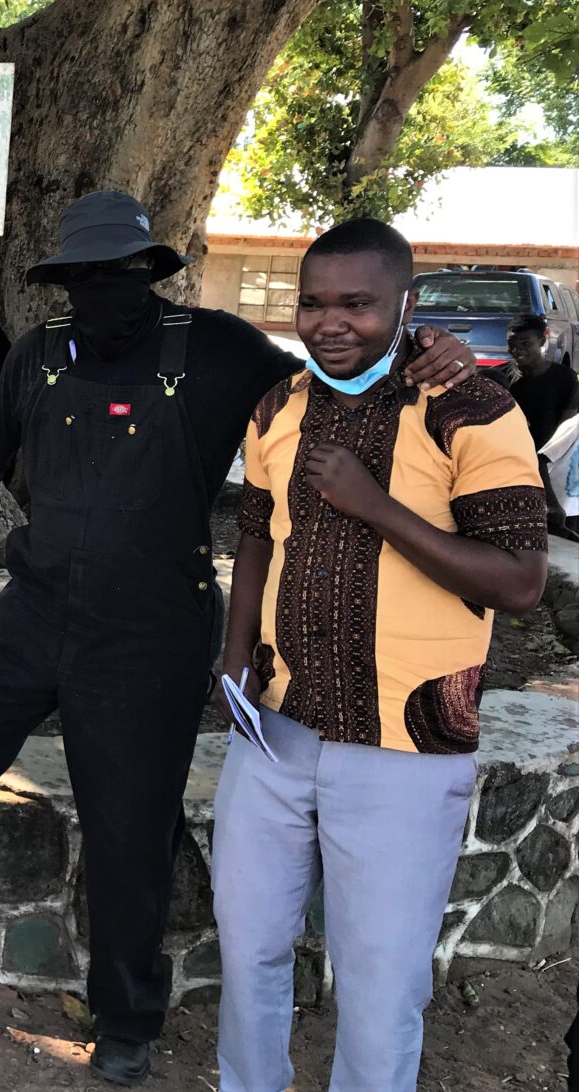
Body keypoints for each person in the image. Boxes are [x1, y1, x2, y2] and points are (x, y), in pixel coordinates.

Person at [0, 190, 479, 1086]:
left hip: (149, 634)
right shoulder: (38, 355)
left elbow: (330, 374)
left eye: (120, 273)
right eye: (83, 277)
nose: (103, 290)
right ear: (61, 280)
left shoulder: (215, 351)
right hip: (33, 610)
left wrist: (421, 349)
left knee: (128, 827)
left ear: (149, 272)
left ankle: (126, 1015)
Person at [213, 218, 548, 1092]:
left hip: (407, 742)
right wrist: (234, 649)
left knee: (379, 984)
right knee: (247, 949)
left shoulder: (471, 407)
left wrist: (377, 507)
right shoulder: (277, 408)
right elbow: (255, 533)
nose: (331, 323)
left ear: (405, 305)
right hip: (278, 729)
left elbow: (519, 582)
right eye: (314, 303)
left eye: (357, 304)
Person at [508, 313, 579, 450]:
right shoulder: (500, 377)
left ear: (541, 341)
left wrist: (547, 456)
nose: (517, 349)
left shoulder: (565, 378)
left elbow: (568, 427)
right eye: (511, 343)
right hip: (511, 455)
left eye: (526, 343)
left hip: (550, 456)